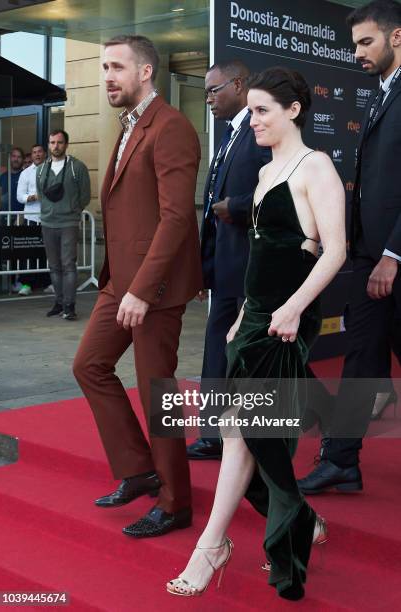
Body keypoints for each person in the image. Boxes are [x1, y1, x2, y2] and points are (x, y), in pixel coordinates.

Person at [167, 67, 346, 601]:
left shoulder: (317, 167)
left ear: (293, 110)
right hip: (258, 317)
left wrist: (290, 310)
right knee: (241, 431)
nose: (254, 121)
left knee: (242, 431)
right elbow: (262, 254)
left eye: (264, 110)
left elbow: (333, 250)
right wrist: (245, 312)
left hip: (288, 323)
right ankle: (298, 520)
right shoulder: (268, 173)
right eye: (253, 112)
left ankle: (211, 545)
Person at [73, 35, 203, 538]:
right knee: (89, 366)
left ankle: (175, 503)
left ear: (145, 72)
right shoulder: (128, 126)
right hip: (119, 283)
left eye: (116, 67)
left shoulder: (169, 127)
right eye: (103, 66)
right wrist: (122, 284)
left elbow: (175, 219)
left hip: (157, 289)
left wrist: (143, 290)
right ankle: (139, 469)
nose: (107, 76)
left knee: (158, 395)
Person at [298, 0, 401, 495]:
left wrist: (394, 255)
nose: (356, 52)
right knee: (361, 357)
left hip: (392, 258)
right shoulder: (379, 95)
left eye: (366, 42)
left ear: (396, 37)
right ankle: (342, 458)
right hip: (368, 256)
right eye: (355, 43)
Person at [187, 60, 271, 461]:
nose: (208, 99)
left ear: (239, 84)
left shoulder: (258, 132)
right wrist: (205, 268)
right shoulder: (228, 135)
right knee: (216, 351)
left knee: (249, 355)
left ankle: (252, 438)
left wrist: (235, 207)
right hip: (223, 267)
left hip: (252, 266)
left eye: (213, 90)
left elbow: (280, 192)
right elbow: (208, 209)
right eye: (205, 91)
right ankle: (212, 434)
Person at [36, 130, 91, 320]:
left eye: (59, 142)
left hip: (68, 222)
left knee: (68, 264)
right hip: (48, 222)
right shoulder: (41, 169)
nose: (55, 146)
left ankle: (69, 305)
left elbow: (85, 195)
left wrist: (72, 211)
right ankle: (58, 303)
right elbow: (41, 194)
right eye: (52, 142)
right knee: (54, 265)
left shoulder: (77, 167)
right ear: (48, 145)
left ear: (66, 144)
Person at [16, 144, 52, 296]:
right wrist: (33, 197)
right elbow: (20, 196)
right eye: (34, 152)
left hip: (50, 218)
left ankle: (50, 283)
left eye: (40, 152)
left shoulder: (53, 170)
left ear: (45, 154)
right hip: (31, 218)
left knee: (50, 252)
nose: (37, 155)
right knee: (30, 252)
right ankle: (26, 285)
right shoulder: (25, 173)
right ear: (31, 155)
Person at [0, 147, 25, 292]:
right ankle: (2, 281)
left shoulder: (25, 175)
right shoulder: (3, 176)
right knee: (2, 249)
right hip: (3, 216)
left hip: (19, 217)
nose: (16, 159)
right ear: (10, 158)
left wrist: (22, 216)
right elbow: (0, 196)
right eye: (13, 156)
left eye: (19, 156)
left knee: (16, 252)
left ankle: (16, 281)